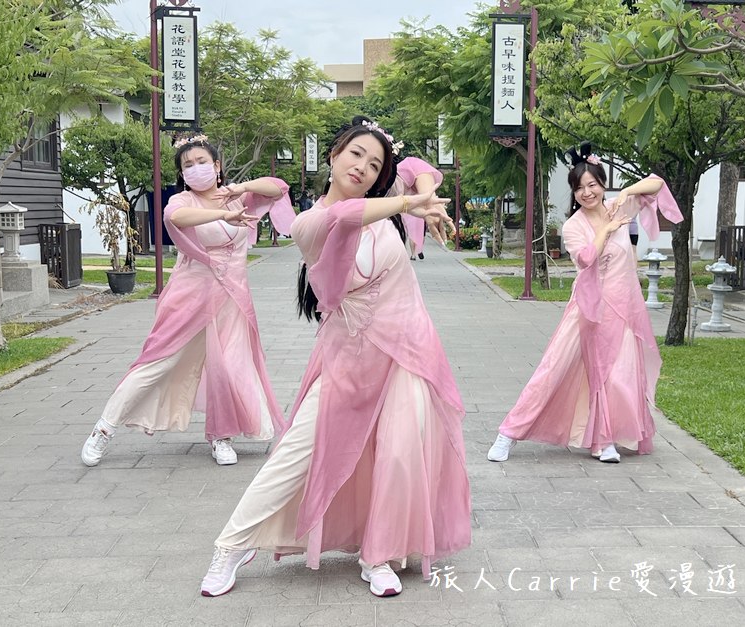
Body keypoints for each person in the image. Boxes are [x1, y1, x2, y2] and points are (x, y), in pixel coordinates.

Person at [200, 116, 470, 599]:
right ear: (332, 156)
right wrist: (411, 203)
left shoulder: (380, 203)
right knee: (295, 455)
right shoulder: (310, 223)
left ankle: (379, 555)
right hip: (348, 358)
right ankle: (231, 544)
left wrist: (425, 199)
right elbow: (344, 217)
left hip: (408, 350)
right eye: (355, 155)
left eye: (374, 163)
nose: (363, 168)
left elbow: (418, 164)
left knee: (399, 454)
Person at [80, 135, 294, 467]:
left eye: (201, 162)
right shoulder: (183, 201)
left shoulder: (236, 196)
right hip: (190, 296)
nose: (195, 169)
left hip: (231, 298)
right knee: (157, 362)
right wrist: (222, 216)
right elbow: (174, 220)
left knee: (231, 367)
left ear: (217, 165)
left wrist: (239, 189)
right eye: (187, 165)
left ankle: (221, 437)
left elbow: (278, 187)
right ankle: (103, 430)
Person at [487, 142, 683, 464]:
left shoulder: (620, 207)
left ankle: (606, 439)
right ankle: (507, 434)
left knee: (618, 374)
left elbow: (657, 184)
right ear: (574, 193)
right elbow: (588, 258)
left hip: (625, 308)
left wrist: (626, 192)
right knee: (552, 371)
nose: (587, 192)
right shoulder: (572, 226)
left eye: (592, 184)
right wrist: (605, 229)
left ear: (602, 183)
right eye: (580, 188)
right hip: (589, 309)